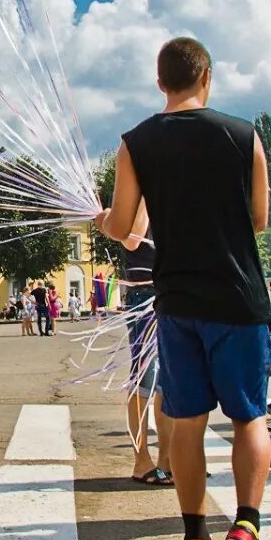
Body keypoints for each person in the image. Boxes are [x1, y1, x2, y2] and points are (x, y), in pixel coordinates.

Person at [96, 38, 271, 540]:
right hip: (239, 297)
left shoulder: (136, 143)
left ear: (159, 83)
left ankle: (195, 539)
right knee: (249, 417)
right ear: (207, 77)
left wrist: (104, 220)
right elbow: (260, 219)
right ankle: (246, 523)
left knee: (187, 421)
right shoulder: (246, 136)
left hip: (176, 301)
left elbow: (124, 227)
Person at [119, 200, 173, 488]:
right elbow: (132, 240)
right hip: (145, 294)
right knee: (144, 378)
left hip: (176, 289)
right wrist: (144, 192)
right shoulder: (136, 193)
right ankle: (142, 460)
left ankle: (167, 461)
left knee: (169, 381)